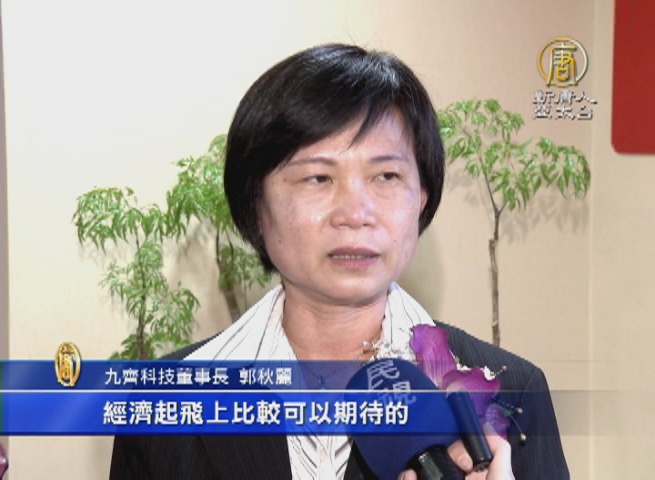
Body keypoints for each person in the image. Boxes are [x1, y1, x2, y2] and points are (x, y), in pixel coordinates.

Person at [110, 43, 568, 479]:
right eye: (317, 178)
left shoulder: (514, 392)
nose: (355, 213)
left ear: (422, 198)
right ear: (255, 205)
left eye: (386, 175)